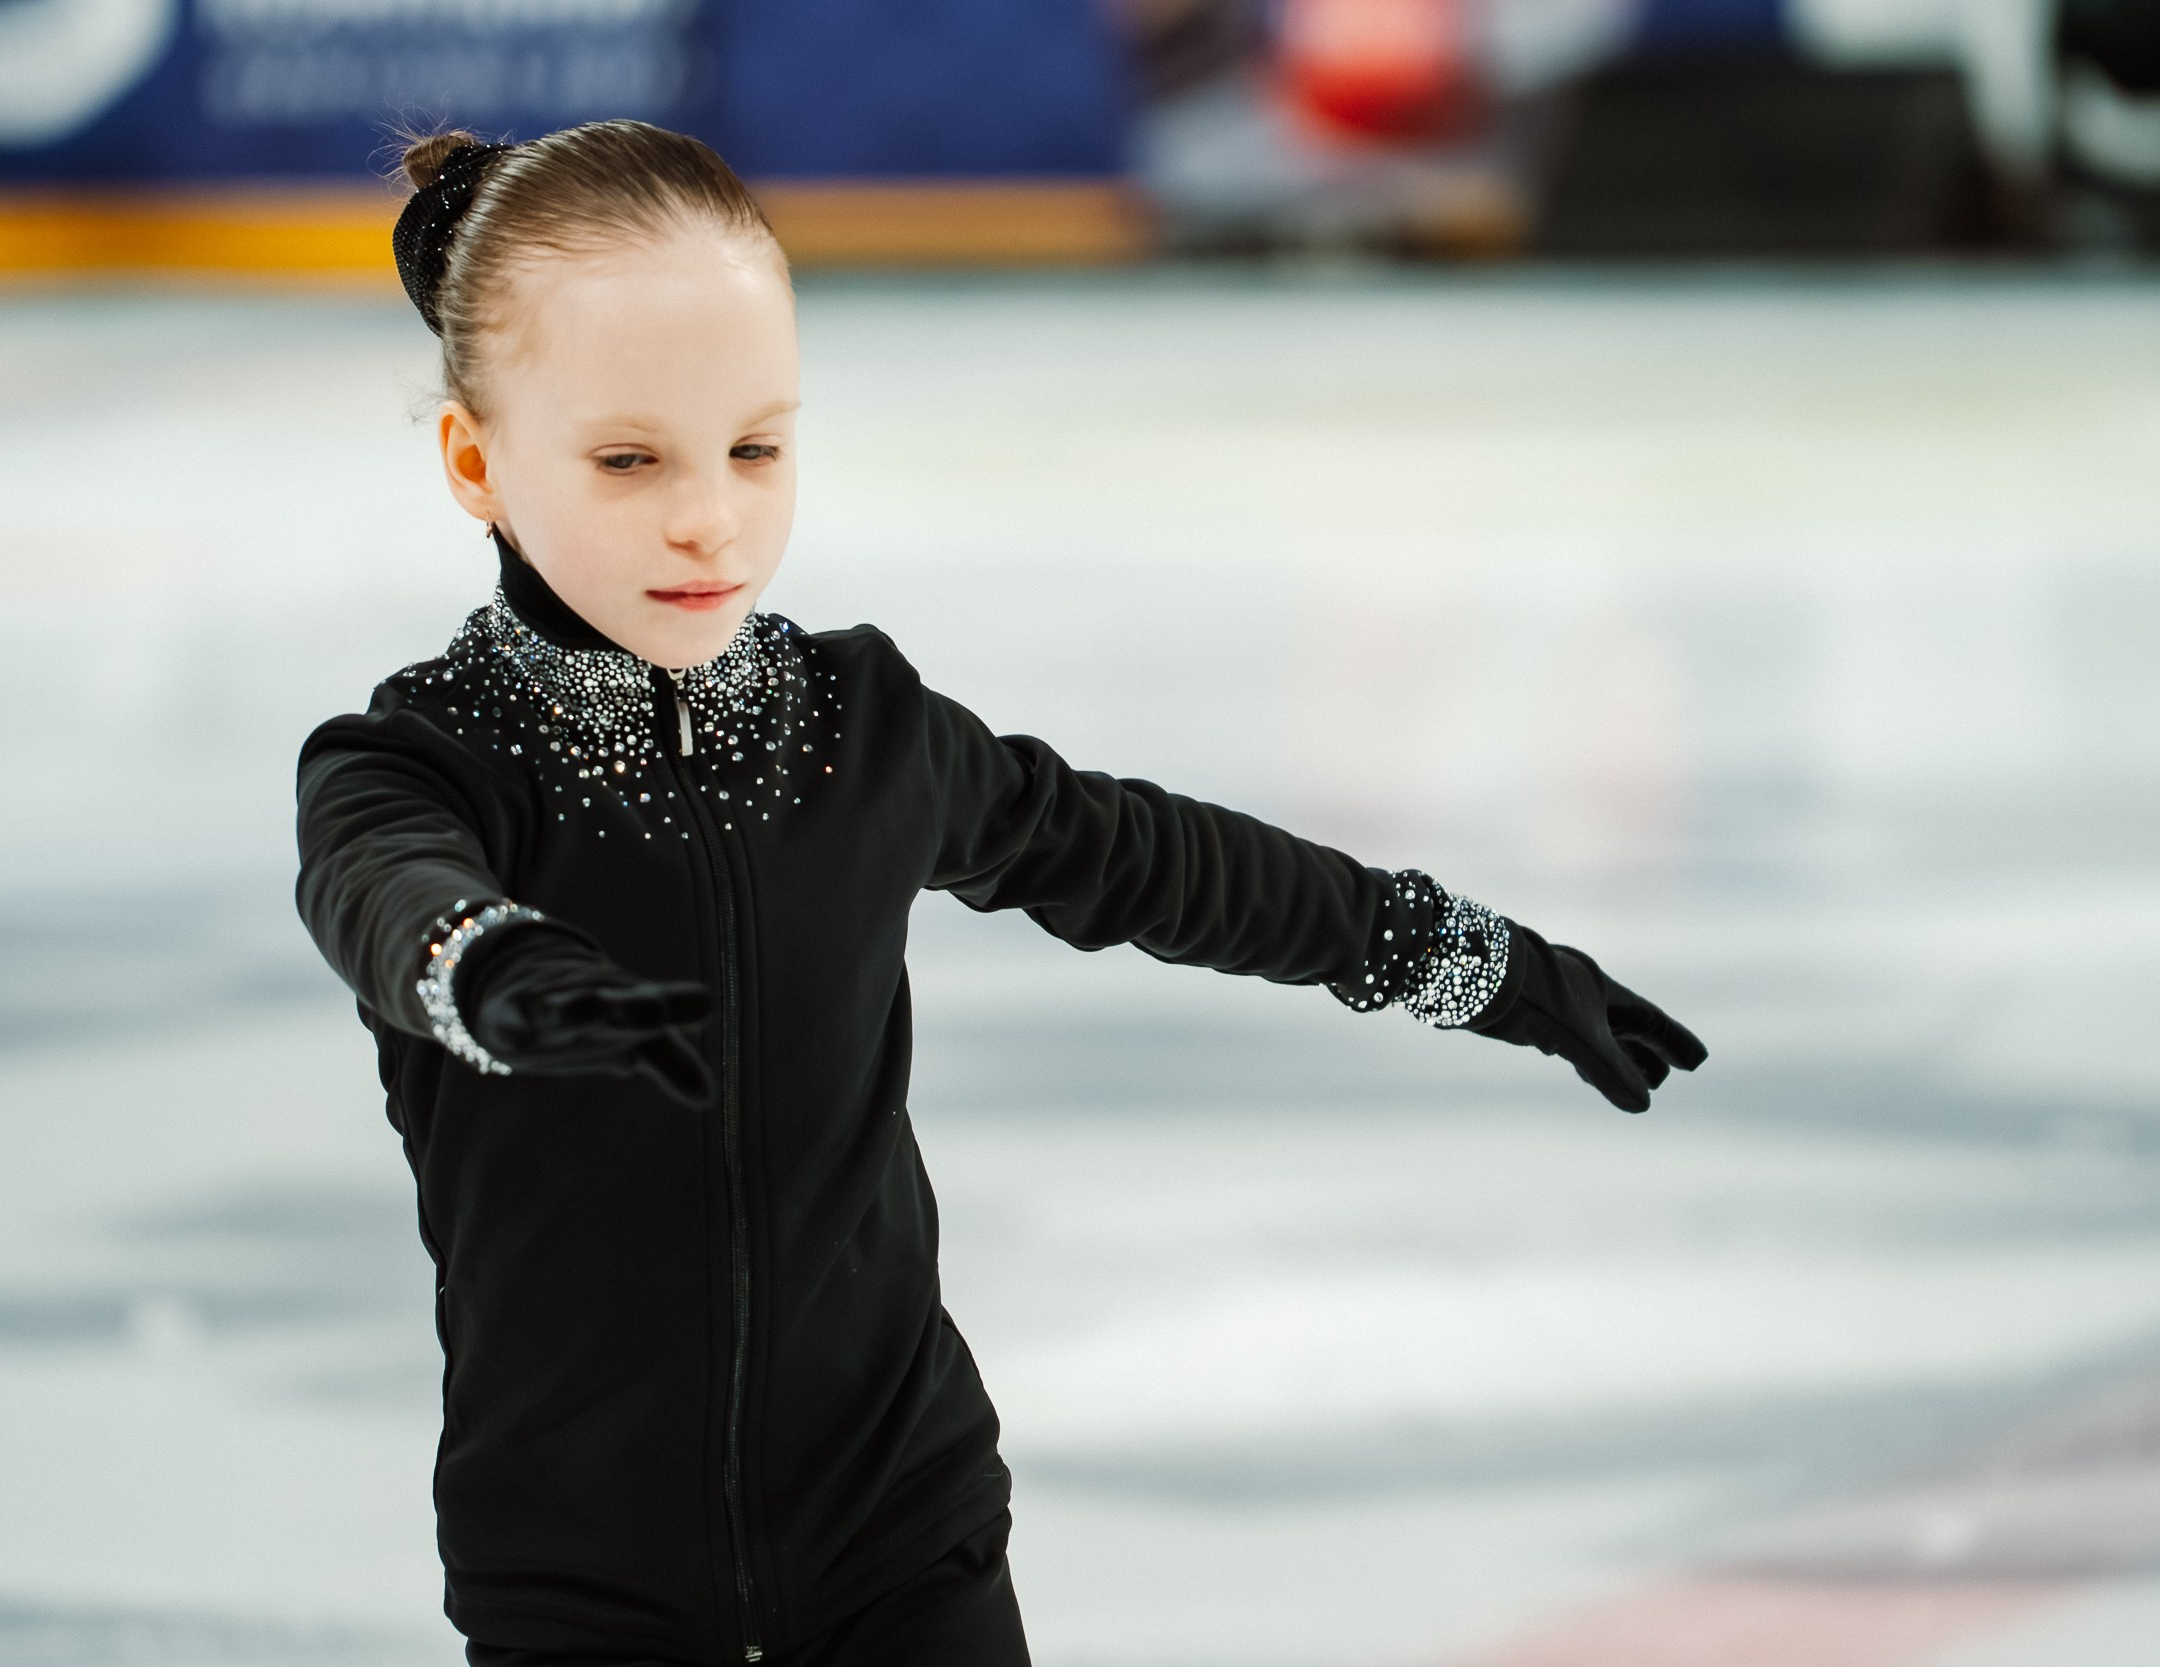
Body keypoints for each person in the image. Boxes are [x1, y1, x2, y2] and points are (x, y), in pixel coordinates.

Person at [294, 119, 1705, 1667]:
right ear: (476, 463)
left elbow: (1158, 863)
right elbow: (383, 890)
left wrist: (1479, 961)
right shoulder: (422, 761)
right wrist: (486, 966)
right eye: (631, 459)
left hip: (900, 1534)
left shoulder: (859, 730)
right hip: (581, 1573)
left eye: (757, 447)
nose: (711, 515)